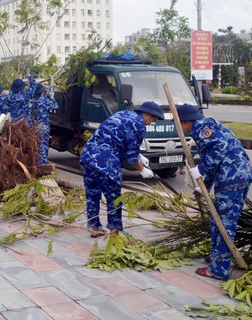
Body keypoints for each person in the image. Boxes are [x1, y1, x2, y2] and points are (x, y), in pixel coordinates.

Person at [177, 104, 252, 281]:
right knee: (216, 218)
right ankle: (219, 257)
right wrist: (203, 186)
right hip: (234, 175)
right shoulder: (204, 127)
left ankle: (218, 269)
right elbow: (212, 160)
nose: (178, 127)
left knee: (224, 222)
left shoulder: (202, 127)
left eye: (178, 124)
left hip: (231, 177)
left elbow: (219, 149)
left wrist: (201, 169)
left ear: (185, 122)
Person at [79, 101, 164, 237]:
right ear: (146, 114)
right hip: (105, 161)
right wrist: (142, 169)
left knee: (92, 194)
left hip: (88, 156)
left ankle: (94, 227)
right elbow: (131, 159)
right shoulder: (138, 125)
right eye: (153, 119)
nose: (152, 122)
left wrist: (139, 155)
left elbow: (119, 139)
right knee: (114, 198)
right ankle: (115, 233)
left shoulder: (123, 113)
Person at [31, 84, 59, 164]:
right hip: (43, 127)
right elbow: (55, 106)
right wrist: (52, 97)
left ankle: (35, 163)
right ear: (42, 92)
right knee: (43, 146)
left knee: (36, 146)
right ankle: (42, 165)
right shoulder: (44, 101)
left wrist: (47, 96)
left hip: (35, 126)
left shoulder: (34, 100)